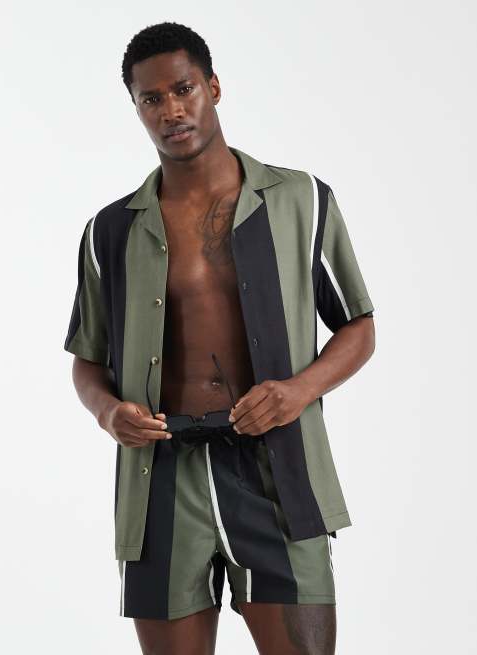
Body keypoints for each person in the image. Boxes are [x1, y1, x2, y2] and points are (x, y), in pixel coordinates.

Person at [63, 20, 375, 655]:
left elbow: (359, 326)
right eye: (152, 99)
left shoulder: (302, 200)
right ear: (136, 108)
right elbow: (87, 362)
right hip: (159, 478)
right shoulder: (110, 232)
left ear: (213, 87)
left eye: (183, 89)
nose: (171, 111)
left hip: (278, 473)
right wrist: (108, 413)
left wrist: (297, 392)